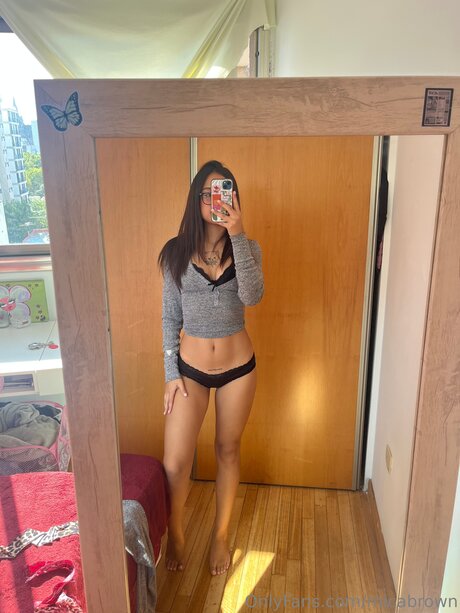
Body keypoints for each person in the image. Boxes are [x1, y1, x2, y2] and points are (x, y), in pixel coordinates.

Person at [157, 160, 264, 576]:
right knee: (175, 462)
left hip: (239, 368)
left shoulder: (248, 248)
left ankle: (220, 535)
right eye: (208, 193)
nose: (215, 200)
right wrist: (170, 374)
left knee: (227, 449)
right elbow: (170, 317)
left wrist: (238, 233)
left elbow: (252, 297)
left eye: (224, 191)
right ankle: (177, 532)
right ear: (197, 199)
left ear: (233, 198)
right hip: (190, 372)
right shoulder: (175, 252)